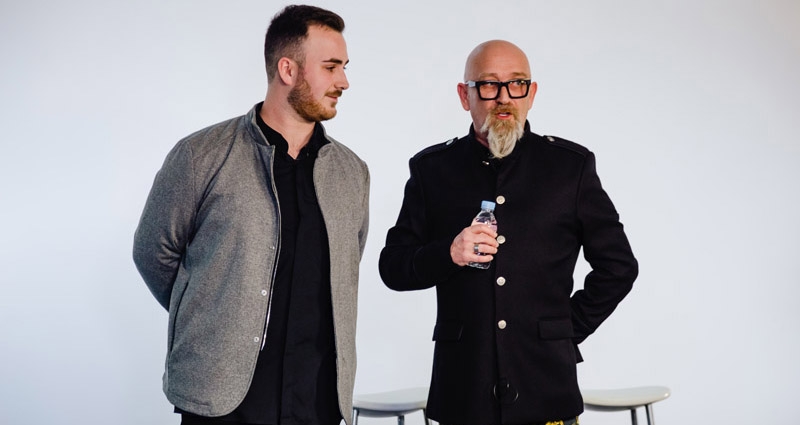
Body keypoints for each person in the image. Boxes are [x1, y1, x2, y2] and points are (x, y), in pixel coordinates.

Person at [379, 39, 638, 425]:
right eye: (488, 85)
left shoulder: (570, 167)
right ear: (464, 96)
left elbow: (619, 267)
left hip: (547, 388)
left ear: (531, 94)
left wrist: (564, 332)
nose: (503, 98)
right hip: (462, 393)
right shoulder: (432, 169)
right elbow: (393, 268)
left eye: (516, 84)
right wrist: (447, 254)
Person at [133, 5, 369, 425]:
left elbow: (348, 269)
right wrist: (212, 310)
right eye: (331, 67)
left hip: (318, 403)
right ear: (288, 70)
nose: (344, 82)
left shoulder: (352, 173)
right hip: (222, 403)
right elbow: (153, 250)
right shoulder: (201, 155)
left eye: (344, 67)